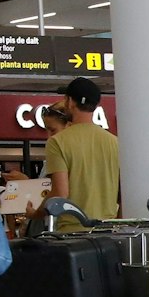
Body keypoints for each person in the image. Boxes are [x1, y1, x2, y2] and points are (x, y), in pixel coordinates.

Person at [45, 77, 118, 229]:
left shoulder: (58, 142)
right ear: (96, 105)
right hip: (108, 231)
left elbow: (61, 193)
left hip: (72, 233)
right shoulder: (114, 142)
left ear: (70, 102)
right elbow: (122, 194)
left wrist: (35, 213)